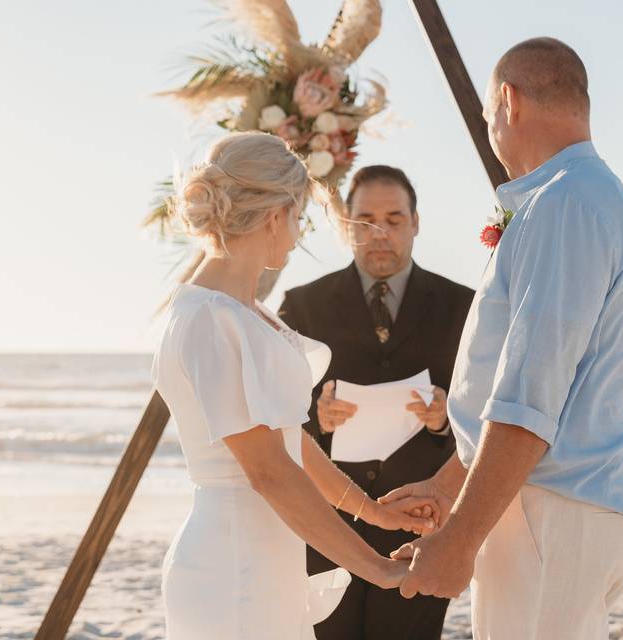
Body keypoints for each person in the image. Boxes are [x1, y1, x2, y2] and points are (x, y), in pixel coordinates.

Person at [380, 38, 623, 639]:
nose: (491, 130)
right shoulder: (569, 198)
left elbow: (532, 395)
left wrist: (460, 539)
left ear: (508, 101)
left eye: (487, 118)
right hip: (543, 512)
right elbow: (525, 388)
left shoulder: (567, 204)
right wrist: (450, 484)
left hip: (550, 514)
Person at [152, 133, 437, 640]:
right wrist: (378, 567)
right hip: (232, 564)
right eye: (300, 215)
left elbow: (290, 443)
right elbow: (269, 472)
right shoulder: (208, 319)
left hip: (268, 561)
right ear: (274, 215)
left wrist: (372, 511)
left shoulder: (246, 312)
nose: (299, 230)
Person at [278, 165, 475, 640]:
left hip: (420, 527)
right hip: (326, 529)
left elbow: (486, 419)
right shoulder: (302, 305)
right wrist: (318, 419)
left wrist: (443, 422)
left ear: (416, 222)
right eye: (365, 219)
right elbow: (274, 419)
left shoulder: (463, 306)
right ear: (345, 223)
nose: (380, 233)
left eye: (394, 218)